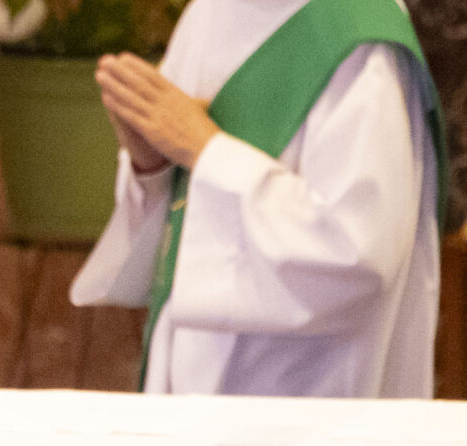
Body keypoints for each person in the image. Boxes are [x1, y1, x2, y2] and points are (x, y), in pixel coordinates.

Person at [70, 0, 446, 396]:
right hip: (188, 388)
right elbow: (175, 217)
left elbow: (357, 252)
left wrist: (205, 149)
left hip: (305, 403)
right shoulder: (211, 12)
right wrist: (153, 167)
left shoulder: (358, 38)